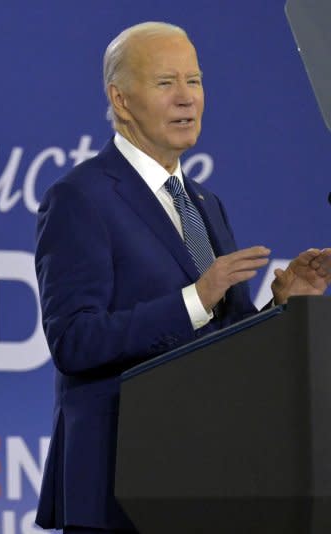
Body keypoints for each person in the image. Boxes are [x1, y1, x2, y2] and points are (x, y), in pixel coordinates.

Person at [33, 21, 331, 533]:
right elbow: (74, 340)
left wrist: (282, 306)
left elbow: (221, 348)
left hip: (204, 480)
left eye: (194, 81)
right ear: (121, 100)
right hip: (116, 484)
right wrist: (195, 296)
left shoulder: (204, 204)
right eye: (166, 82)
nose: (186, 99)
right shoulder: (81, 197)